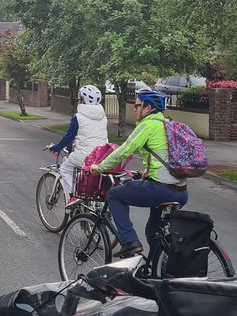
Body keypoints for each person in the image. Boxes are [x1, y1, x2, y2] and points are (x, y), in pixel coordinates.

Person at [88, 88, 181, 258]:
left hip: (161, 189)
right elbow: (165, 156)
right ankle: (157, 270)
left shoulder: (148, 125)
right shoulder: (169, 124)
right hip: (181, 191)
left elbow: (124, 150)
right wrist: (147, 171)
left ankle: (129, 242)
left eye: (137, 105)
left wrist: (99, 167)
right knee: (153, 230)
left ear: (148, 108)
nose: (134, 109)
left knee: (114, 195)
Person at [44, 85, 108, 199]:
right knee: (83, 175)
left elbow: (69, 137)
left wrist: (55, 148)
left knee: (64, 169)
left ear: (83, 100)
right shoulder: (104, 117)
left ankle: (72, 197)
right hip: (101, 156)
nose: (78, 101)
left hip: (84, 156)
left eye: (79, 98)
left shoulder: (78, 117)